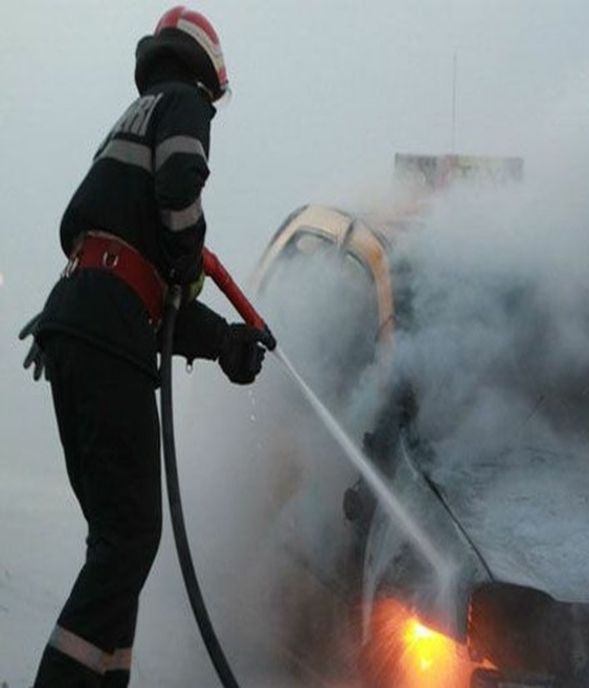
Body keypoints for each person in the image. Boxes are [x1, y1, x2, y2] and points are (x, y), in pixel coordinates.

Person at [19, 7, 269, 686]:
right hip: (105, 332)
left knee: (118, 542)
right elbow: (181, 187)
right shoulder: (183, 103)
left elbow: (149, 292)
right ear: (207, 69)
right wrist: (189, 259)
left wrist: (225, 342)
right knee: (130, 541)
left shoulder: (132, 120)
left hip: (77, 324)